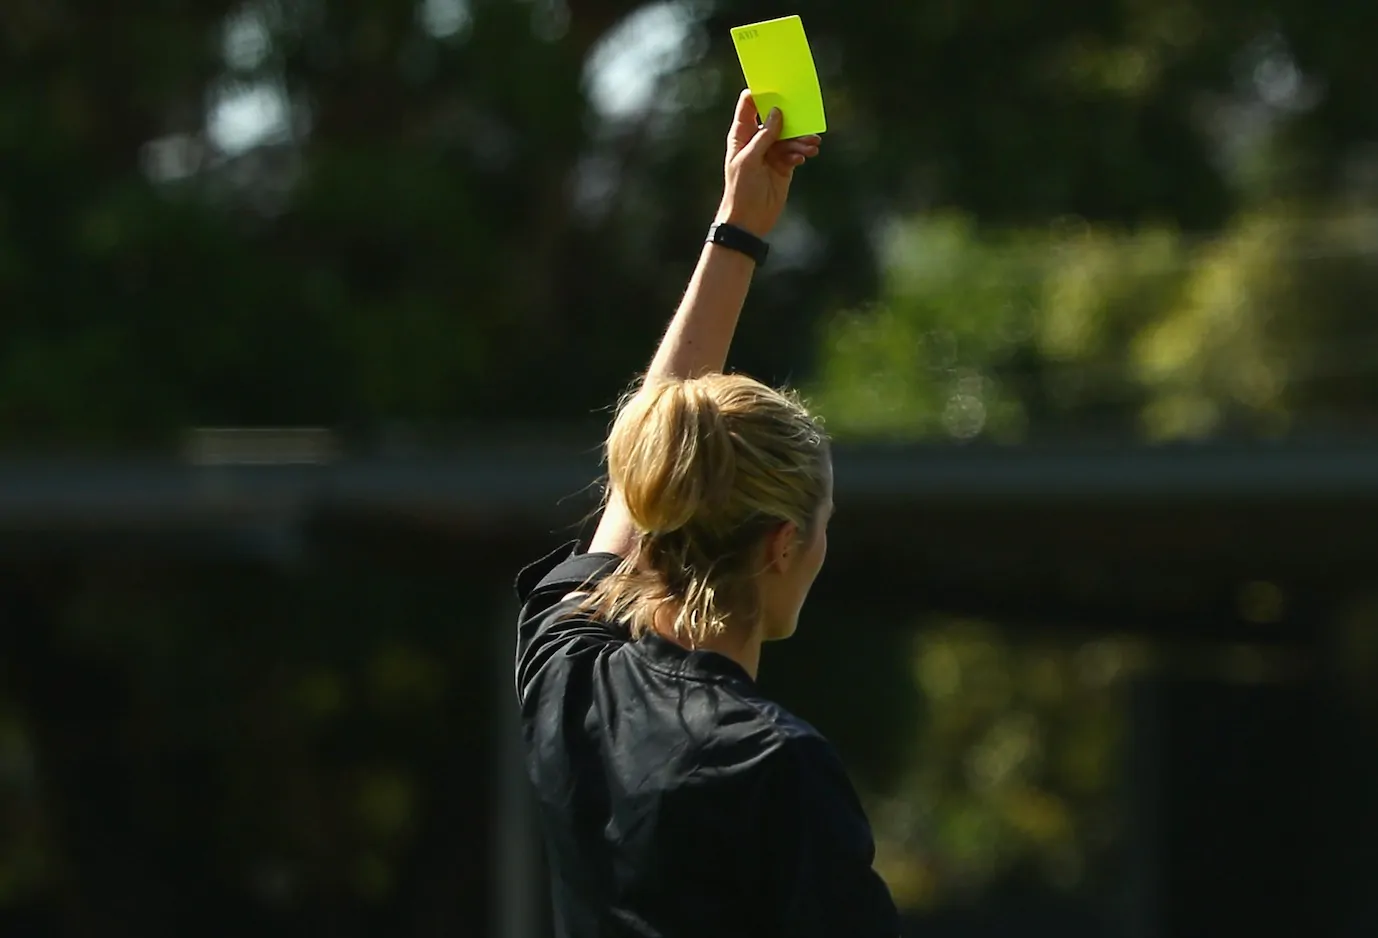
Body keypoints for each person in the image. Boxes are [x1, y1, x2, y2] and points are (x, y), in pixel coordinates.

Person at [514, 91, 900, 938]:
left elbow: (645, 462)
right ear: (783, 544)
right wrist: (740, 226)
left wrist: (738, 226)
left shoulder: (571, 679)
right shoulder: (775, 765)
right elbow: (649, 459)